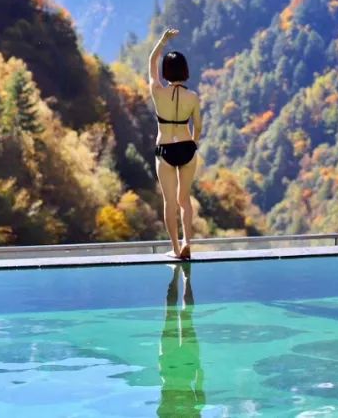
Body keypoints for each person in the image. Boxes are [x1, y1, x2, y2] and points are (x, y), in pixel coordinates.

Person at [148, 28, 202, 260]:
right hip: (187, 148)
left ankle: (176, 249)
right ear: (185, 70)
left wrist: (163, 41)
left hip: (165, 150)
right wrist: (193, 144)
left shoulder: (157, 92)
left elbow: (151, 62)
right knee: (184, 200)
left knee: (169, 202)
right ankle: (188, 242)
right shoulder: (193, 97)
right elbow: (198, 126)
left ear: (166, 71)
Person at [157, 262, 205, 417]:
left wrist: (199, 372)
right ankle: (178, 273)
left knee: (185, 316)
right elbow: (160, 408)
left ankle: (185, 276)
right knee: (171, 316)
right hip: (170, 368)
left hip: (187, 368)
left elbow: (200, 397)